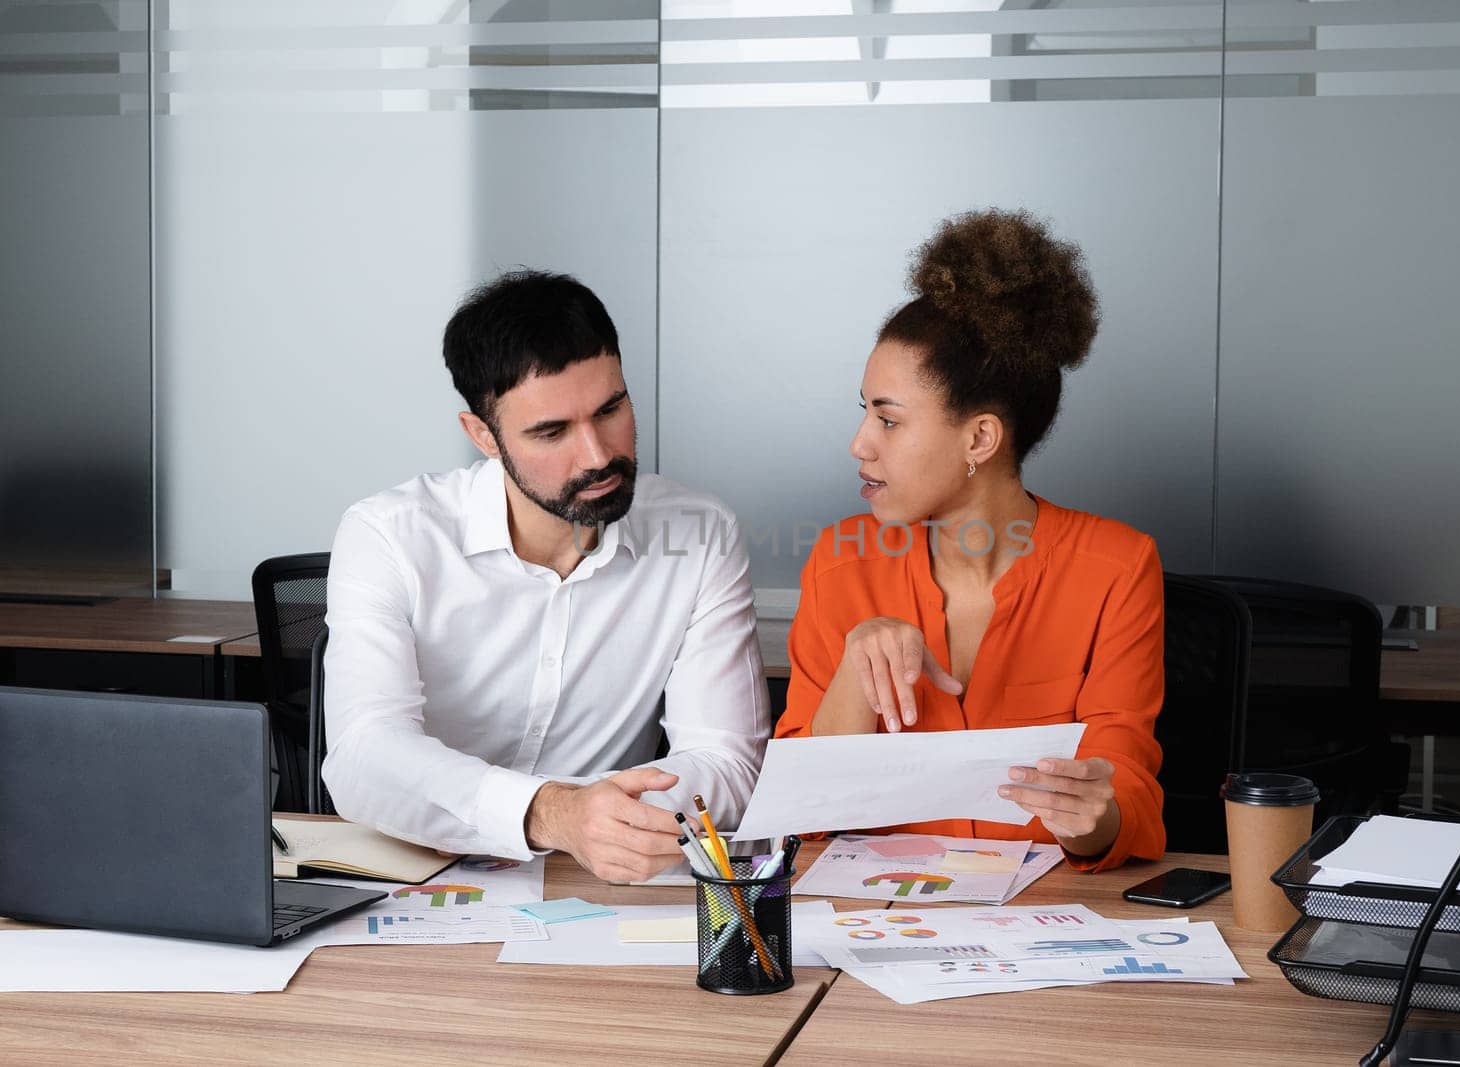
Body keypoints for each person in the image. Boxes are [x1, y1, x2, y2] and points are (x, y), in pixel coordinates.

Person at [323, 270, 768, 882]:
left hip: (601, 885)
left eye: (611, 409)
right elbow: (362, 757)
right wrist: (552, 814)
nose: (597, 455)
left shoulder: (700, 532)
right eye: (551, 431)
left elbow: (727, 762)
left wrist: (615, 820)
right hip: (417, 876)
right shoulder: (390, 535)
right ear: (483, 436)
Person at [775, 209, 1164, 872]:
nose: (860, 443)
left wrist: (1094, 815)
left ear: (979, 439)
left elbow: (1125, 788)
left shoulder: (1116, 567)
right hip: (874, 928)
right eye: (864, 410)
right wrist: (854, 667)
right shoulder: (842, 561)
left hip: (1049, 926)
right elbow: (802, 815)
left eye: (889, 419)